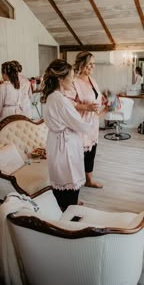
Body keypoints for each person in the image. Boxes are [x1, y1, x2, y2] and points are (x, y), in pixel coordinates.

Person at [40, 59, 93, 211]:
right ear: (60, 79)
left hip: (58, 141)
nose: (73, 79)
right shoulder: (60, 100)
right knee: (68, 176)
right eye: (70, 76)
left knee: (64, 176)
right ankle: (69, 211)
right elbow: (80, 124)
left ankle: (70, 204)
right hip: (65, 144)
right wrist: (99, 115)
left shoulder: (53, 96)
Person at [65, 51, 103, 189]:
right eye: (89, 64)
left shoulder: (92, 80)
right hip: (80, 122)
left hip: (93, 122)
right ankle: (74, 182)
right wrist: (86, 107)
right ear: (81, 64)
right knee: (79, 152)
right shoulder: (73, 81)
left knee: (91, 151)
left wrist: (102, 101)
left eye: (93, 64)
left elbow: (95, 97)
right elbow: (68, 103)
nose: (92, 67)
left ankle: (89, 179)